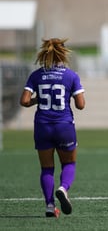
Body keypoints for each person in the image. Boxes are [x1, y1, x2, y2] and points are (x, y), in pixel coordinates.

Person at [20, 38, 85, 217]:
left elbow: (24, 101)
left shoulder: (36, 75)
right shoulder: (71, 75)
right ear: (63, 54)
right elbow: (81, 105)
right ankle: (63, 189)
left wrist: (37, 99)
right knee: (69, 163)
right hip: (64, 125)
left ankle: (49, 206)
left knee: (47, 168)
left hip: (42, 126)